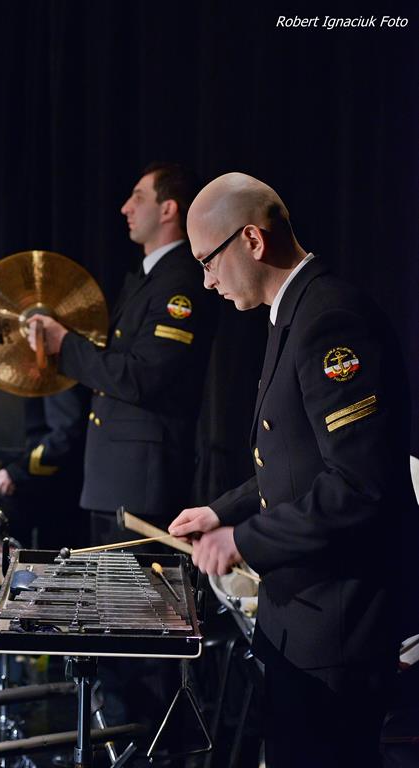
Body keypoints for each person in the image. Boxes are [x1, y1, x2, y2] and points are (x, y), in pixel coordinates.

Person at [168, 172, 419, 767]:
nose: (206, 281)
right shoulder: (295, 313)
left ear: (252, 240)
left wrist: (242, 539)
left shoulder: (331, 318)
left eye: (207, 261)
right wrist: (220, 512)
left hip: (339, 623)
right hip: (305, 615)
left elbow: (360, 485)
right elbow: (295, 463)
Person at [28, 162, 219, 543]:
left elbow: (143, 377)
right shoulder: (148, 279)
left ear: (168, 209)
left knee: (134, 584)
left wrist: (65, 343)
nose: (125, 208)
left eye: (138, 198)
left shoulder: (178, 282)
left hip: (141, 482)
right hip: (116, 478)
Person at [0, 384, 90, 548]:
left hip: (55, 490)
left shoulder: (57, 378)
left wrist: (16, 471)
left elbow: (65, 435)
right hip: (23, 483)